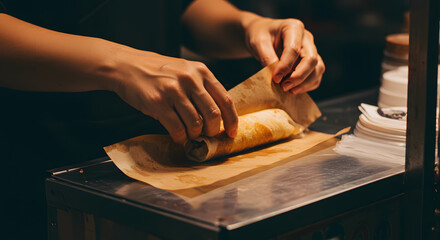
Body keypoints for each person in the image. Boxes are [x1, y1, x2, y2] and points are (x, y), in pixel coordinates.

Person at [0, 0, 325, 239]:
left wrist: (246, 26)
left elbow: (180, 9)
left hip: (167, 159)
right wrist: (118, 63)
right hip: (38, 164)